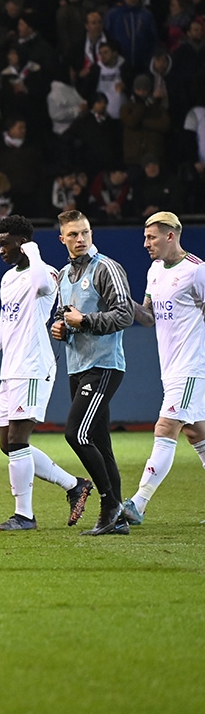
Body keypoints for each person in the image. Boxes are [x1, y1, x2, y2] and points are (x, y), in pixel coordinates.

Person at [0, 215, 93, 532]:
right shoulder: (9, 278)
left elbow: (39, 284)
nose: (0, 251)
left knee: (18, 439)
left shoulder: (46, 272)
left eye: (5, 244)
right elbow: (3, 323)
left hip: (34, 366)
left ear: (22, 244)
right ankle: (74, 485)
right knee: (7, 444)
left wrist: (33, 250)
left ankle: (24, 516)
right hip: (11, 369)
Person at [49, 211, 133, 535]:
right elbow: (66, 317)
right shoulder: (63, 276)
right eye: (73, 234)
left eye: (84, 232)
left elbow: (125, 314)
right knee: (100, 440)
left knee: (76, 434)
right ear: (63, 239)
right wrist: (61, 329)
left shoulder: (106, 268)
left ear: (91, 232)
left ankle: (109, 502)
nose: (80, 239)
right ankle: (118, 520)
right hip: (77, 366)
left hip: (104, 364)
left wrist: (84, 322)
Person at [120, 212, 205, 526]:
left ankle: (138, 504)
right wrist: (123, 302)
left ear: (171, 236)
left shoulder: (197, 271)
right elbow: (148, 316)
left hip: (192, 366)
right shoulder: (155, 270)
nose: (146, 244)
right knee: (196, 433)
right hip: (170, 368)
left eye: (151, 237)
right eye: (145, 237)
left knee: (165, 428)